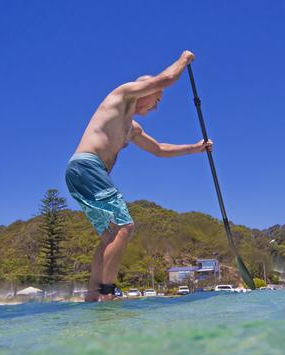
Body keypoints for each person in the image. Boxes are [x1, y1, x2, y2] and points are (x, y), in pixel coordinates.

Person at [65, 50, 212, 302]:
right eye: (157, 100)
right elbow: (166, 78)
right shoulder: (122, 95)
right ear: (146, 90)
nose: (156, 106)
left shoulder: (131, 127)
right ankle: (107, 293)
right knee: (125, 226)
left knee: (110, 234)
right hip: (88, 167)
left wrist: (195, 148)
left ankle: (93, 295)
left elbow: (159, 149)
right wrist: (184, 59)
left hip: (81, 172)